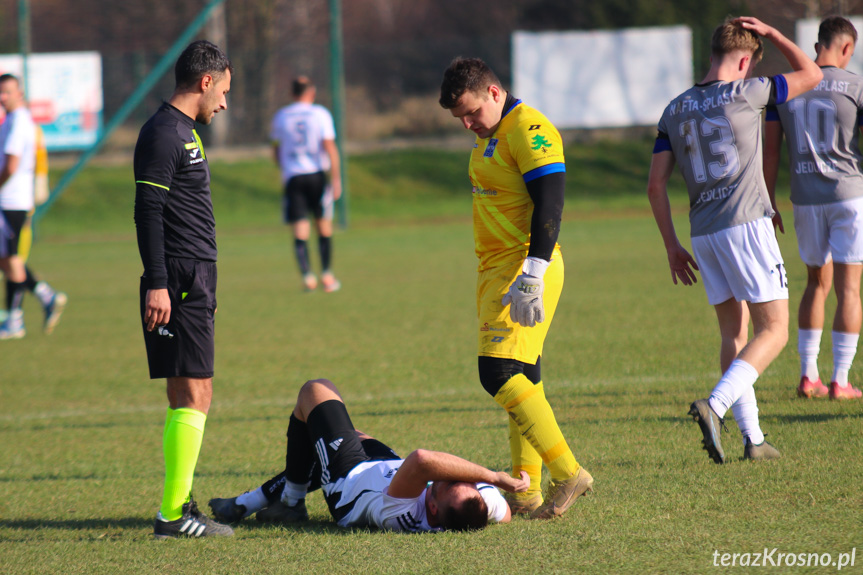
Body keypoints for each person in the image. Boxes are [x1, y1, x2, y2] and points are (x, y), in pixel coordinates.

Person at [647, 17, 823, 463]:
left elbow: (655, 185)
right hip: (746, 226)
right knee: (776, 330)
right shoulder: (750, 91)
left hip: (703, 233)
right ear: (745, 59)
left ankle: (754, 438)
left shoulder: (673, 109)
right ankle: (716, 405)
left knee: (734, 332)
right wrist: (779, 34)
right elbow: (813, 74)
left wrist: (671, 246)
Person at [437, 57, 592, 519]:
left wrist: (534, 270)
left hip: (522, 270)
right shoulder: (489, 134)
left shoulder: (530, 129)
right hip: (495, 272)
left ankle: (568, 473)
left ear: (494, 93)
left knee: (497, 374)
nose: (467, 124)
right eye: (459, 118)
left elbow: (551, 200)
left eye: (471, 113)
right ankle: (526, 493)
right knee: (524, 378)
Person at [133, 40, 234, 539]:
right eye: (223, 92)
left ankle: (178, 504)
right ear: (205, 81)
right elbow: (147, 212)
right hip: (179, 279)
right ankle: (172, 515)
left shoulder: (184, 131)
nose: (224, 103)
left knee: (187, 393)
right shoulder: (164, 133)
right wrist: (158, 283)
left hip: (192, 277)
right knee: (197, 393)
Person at [208, 378, 529, 531]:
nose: (451, 475)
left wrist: (493, 477)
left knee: (315, 392)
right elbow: (505, 513)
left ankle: (288, 503)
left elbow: (421, 459)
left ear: (431, 507)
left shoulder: (404, 517)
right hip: (386, 467)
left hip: (348, 483)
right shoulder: (479, 508)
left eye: (444, 483)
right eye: (467, 481)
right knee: (331, 426)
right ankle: (252, 501)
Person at [764, 16, 863, 401]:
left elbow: (771, 150)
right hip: (848, 196)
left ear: (817, 43)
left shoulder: (788, 87)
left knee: (815, 284)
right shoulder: (855, 84)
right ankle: (840, 381)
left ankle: (808, 377)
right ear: (847, 49)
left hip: (804, 198)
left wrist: (769, 199)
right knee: (849, 289)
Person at [0, 73, 67, 339]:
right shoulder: (11, 121)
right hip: (9, 200)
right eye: (0, 92)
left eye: (7, 92)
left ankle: (14, 321)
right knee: (6, 258)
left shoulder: (19, 123)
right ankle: (45, 295)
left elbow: (12, 166)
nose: (3, 97)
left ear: (20, 94)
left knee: (13, 260)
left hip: (11, 201)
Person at [270, 76, 342, 293]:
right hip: (317, 176)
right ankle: (327, 276)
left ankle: (308, 277)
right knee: (323, 225)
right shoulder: (320, 114)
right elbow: (330, 147)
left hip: (294, 177)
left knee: (300, 230)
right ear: (311, 92)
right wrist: (336, 179)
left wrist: (284, 167)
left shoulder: (281, 116)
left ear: (292, 94)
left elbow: (275, 149)